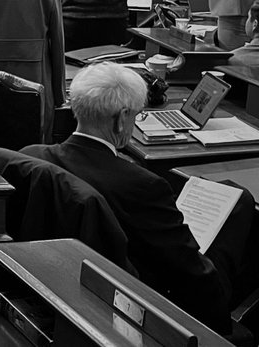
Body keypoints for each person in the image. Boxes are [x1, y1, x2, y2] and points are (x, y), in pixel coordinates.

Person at [21, 63, 250, 334]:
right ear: (121, 118)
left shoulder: (31, 156)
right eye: (137, 116)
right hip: (130, 305)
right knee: (240, 206)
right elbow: (189, 271)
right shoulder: (143, 185)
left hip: (50, 280)